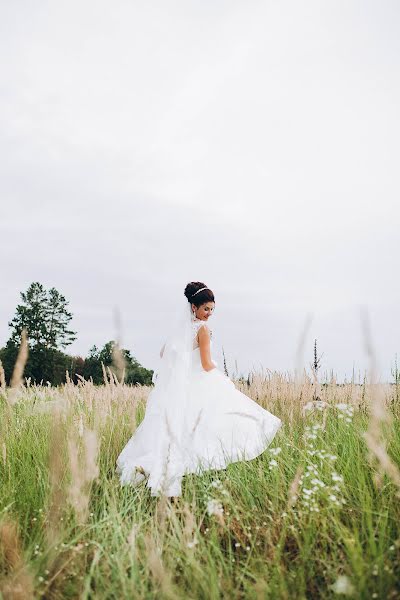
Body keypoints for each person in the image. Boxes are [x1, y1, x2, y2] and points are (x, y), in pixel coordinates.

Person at [116, 281, 282, 497]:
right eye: (206, 309)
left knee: (179, 428)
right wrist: (223, 376)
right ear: (193, 307)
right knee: (215, 421)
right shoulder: (203, 329)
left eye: (212, 309)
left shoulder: (180, 329)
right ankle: (205, 469)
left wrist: (181, 367)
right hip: (201, 382)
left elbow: (163, 354)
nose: (209, 314)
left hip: (181, 387)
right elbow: (206, 364)